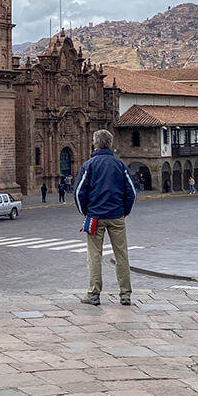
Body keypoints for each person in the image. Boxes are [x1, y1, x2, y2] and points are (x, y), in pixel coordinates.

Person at [74, 129, 136, 306]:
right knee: (122, 255)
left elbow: (79, 192)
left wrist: (85, 211)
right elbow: (131, 192)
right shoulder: (120, 165)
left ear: (95, 144)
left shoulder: (89, 165)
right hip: (117, 216)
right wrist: (124, 211)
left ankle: (94, 294)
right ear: (111, 143)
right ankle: (125, 294)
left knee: (94, 255)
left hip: (95, 217)